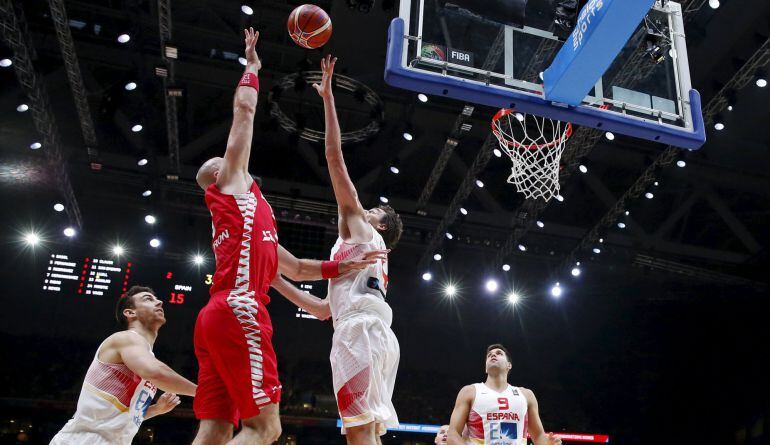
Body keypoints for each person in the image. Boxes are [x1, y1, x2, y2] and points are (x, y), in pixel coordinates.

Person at [192, 29, 385, 445]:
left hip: (213, 317)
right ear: (217, 174)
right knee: (266, 428)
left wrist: (338, 266)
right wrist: (251, 68)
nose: (226, 157)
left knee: (215, 429)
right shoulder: (232, 186)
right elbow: (244, 112)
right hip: (241, 309)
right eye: (219, 160)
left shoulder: (247, 219)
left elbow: (295, 268)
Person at [312, 54, 404, 445]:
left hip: (360, 333)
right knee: (365, 431)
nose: (366, 208)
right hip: (375, 332)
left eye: (375, 210)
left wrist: (328, 99)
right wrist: (274, 278)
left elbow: (334, 159)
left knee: (358, 432)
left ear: (379, 225)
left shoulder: (363, 234)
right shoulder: (362, 252)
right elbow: (321, 309)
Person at [51, 286, 197, 445]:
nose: (160, 302)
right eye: (148, 299)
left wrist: (156, 409)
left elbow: (118, 416)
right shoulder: (125, 339)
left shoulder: (143, 353)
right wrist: (202, 392)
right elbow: (155, 372)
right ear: (129, 313)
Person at [447, 344, 562, 445]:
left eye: (499, 353)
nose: (493, 355)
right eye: (489, 355)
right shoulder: (469, 391)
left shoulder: (526, 395)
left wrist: (548, 443)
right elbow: (453, 435)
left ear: (509, 365)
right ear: (485, 368)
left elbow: (538, 436)